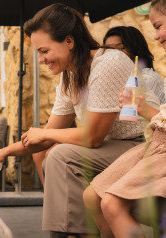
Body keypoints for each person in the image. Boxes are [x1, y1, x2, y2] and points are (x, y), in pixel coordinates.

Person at [0, 3, 160, 238]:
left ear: (69, 41)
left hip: (145, 146)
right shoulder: (69, 77)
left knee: (60, 155)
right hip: (117, 146)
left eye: (44, 51)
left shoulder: (108, 63)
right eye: (38, 53)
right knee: (44, 151)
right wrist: (4, 152)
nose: (41, 59)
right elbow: (46, 136)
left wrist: (46, 135)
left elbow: (92, 138)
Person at [83, 1, 166, 237]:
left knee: (111, 203)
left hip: (159, 147)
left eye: (158, 26)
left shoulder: (148, 77)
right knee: (92, 195)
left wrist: (147, 111)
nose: (156, 35)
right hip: (156, 146)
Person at [103, 25, 166, 105]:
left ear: (135, 48)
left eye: (120, 48)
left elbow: (141, 114)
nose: (112, 54)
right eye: (108, 49)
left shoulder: (146, 78)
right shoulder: (113, 79)